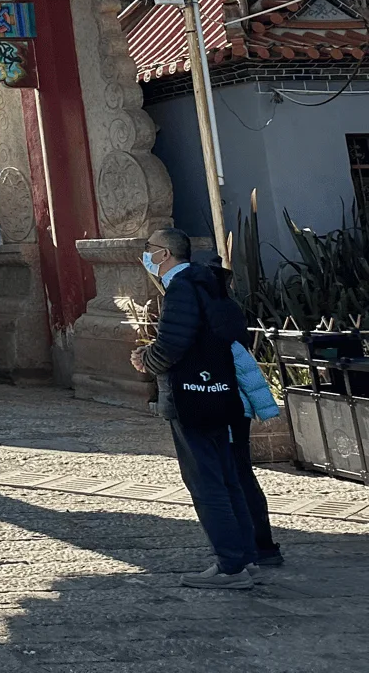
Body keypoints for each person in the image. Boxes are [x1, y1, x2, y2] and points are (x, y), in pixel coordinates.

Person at [130, 227, 279, 588]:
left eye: (149, 248)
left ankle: (231, 565)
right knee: (228, 479)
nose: (146, 255)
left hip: (192, 397)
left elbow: (172, 344)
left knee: (206, 483)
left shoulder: (181, 289)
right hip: (222, 393)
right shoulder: (212, 285)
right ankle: (246, 557)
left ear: (165, 254)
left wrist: (145, 359)